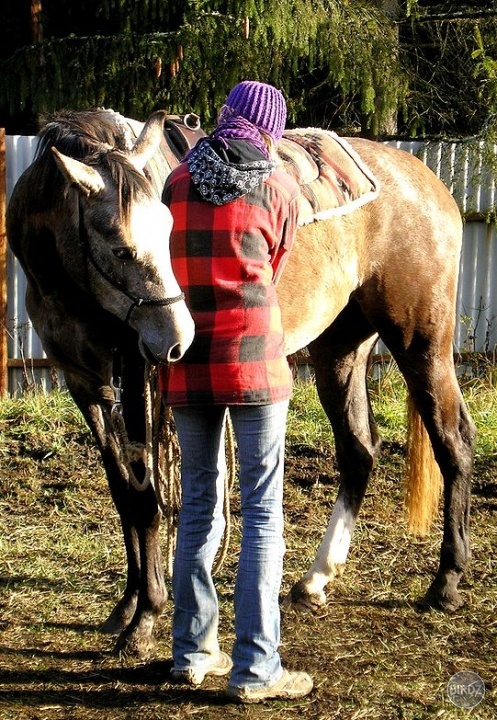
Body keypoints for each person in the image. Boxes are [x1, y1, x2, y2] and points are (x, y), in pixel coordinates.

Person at [160, 80, 313, 703]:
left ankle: (193, 653)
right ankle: (256, 669)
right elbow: (274, 269)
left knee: (197, 507)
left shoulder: (173, 184)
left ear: (225, 119)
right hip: (255, 365)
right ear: (267, 131)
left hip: (189, 364)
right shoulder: (278, 188)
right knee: (263, 516)